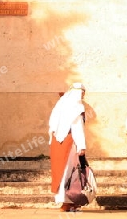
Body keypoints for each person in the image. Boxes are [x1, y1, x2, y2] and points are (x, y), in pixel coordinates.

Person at [48, 82, 87, 212]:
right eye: (82, 93)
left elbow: (51, 126)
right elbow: (77, 127)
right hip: (69, 141)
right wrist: (81, 145)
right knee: (69, 172)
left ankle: (63, 200)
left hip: (56, 142)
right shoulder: (76, 107)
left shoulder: (59, 105)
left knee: (59, 171)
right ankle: (67, 201)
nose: (82, 96)